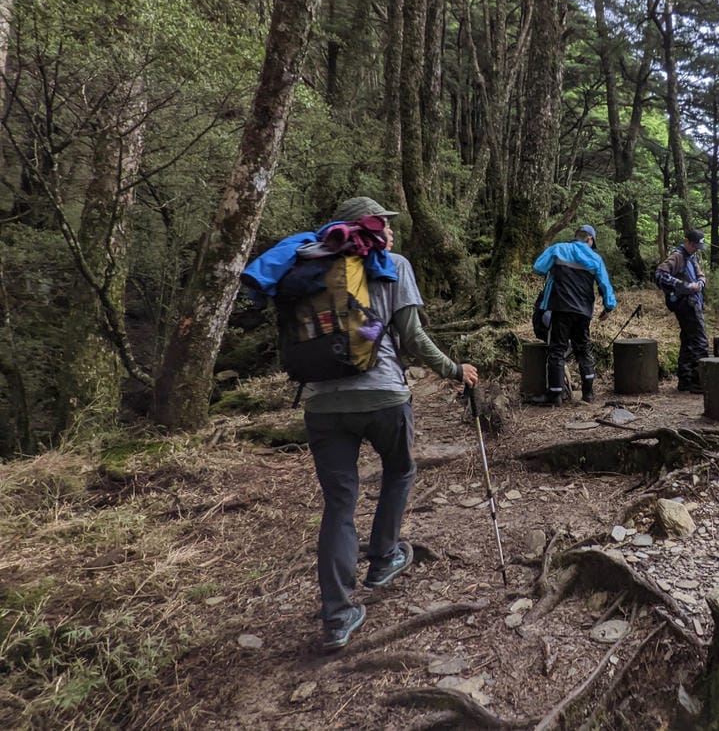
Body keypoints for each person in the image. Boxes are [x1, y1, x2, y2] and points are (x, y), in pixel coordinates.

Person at [253, 196, 480, 651]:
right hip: (383, 395)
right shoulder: (391, 263)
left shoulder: (308, 269)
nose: (390, 230)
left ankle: (337, 617)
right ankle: (383, 557)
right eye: (384, 223)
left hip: (321, 402)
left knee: (339, 504)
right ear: (367, 227)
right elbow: (412, 338)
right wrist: (456, 370)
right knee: (400, 470)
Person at [532, 224, 617, 405]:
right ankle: (588, 393)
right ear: (590, 239)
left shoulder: (558, 249)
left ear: (577, 236)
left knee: (557, 350)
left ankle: (554, 395)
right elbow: (605, 285)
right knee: (583, 349)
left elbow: (538, 267)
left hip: (560, 308)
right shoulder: (595, 258)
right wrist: (608, 307)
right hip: (583, 311)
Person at [656, 229, 708, 393]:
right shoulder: (677, 256)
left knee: (688, 341)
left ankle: (685, 381)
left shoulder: (692, 257)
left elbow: (701, 276)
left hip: (694, 302)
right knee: (700, 342)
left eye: (698, 246)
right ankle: (698, 382)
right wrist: (684, 286)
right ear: (688, 243)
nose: (696, 249)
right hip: (686, 304)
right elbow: (659, 274)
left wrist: (700, 283)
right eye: (695, 246)